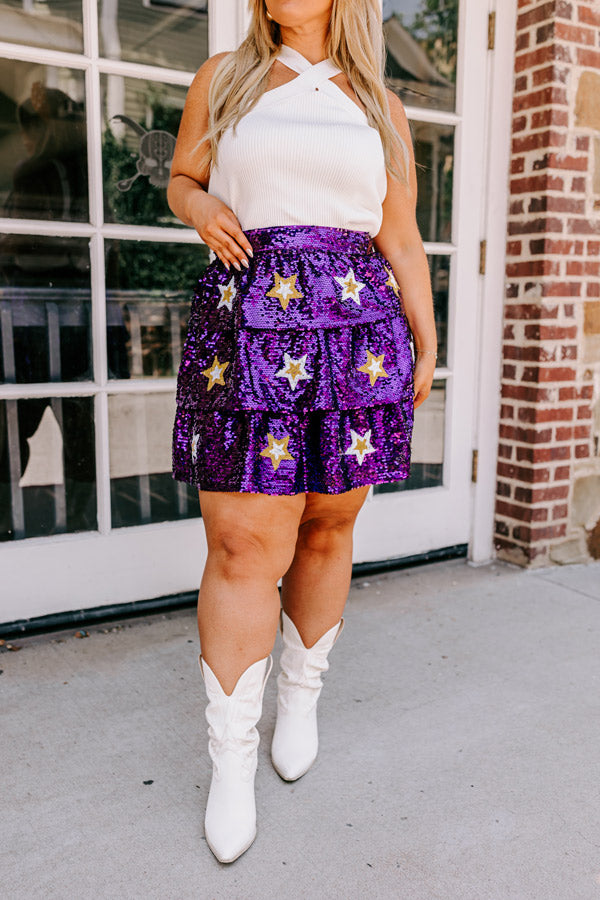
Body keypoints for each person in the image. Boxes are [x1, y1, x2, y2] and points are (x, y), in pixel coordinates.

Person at [167, 0, 437, 864]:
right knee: (245, 545)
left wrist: (426, 337)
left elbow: (400, 234)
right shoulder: (224, 77)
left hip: (358, 335)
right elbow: (182, 177)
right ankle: (232, 761)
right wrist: (200, 207)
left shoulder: (379, 103)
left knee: (327, 525)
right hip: (248, 325)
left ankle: (303, 693)